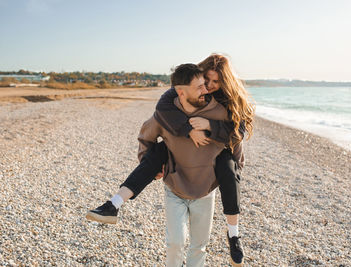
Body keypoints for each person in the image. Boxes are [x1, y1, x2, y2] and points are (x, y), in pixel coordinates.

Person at [86, 54, 254, 266]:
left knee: (199, 247)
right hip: (175, 185)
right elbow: (149, 132)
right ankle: (114, 204)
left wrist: (210, 128)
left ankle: (234, 235)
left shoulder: (223, 109)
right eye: (205, 82)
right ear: (185, 88)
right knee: (175, 243)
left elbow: (237, 137)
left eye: (214, 82)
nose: (208, 87)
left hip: (204, 189)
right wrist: (181, 135)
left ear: (224, 83)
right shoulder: (168, 108)